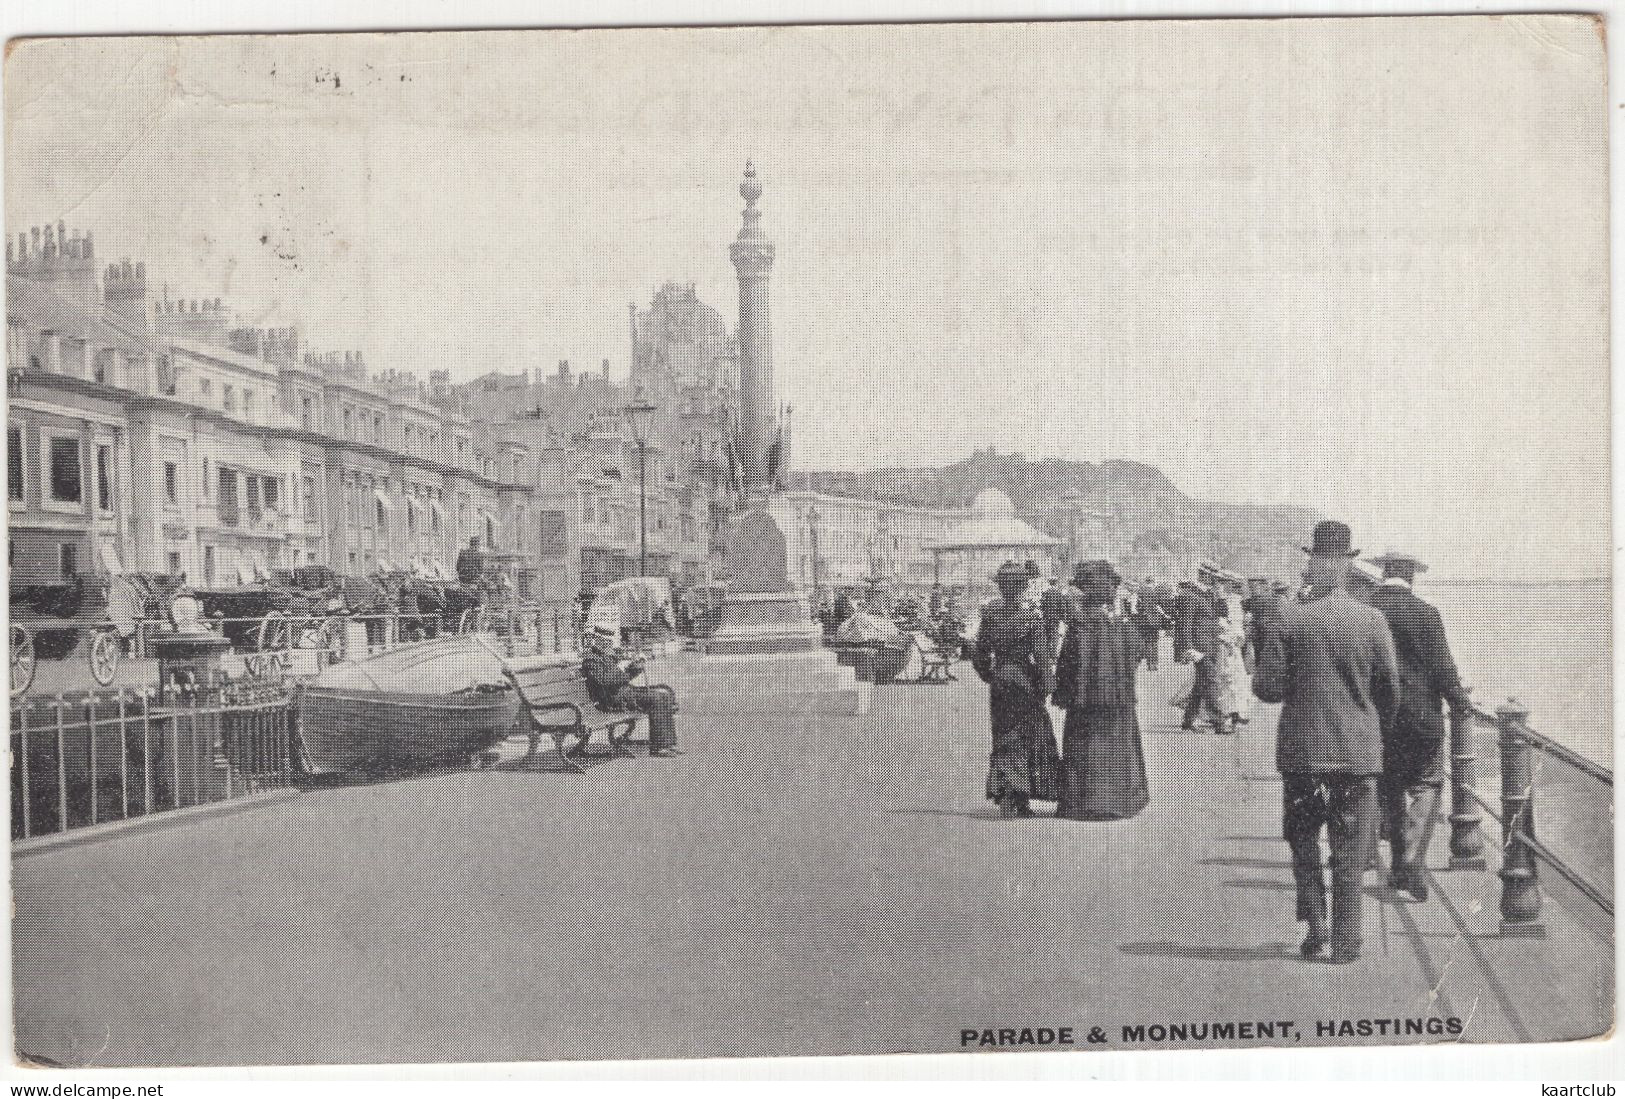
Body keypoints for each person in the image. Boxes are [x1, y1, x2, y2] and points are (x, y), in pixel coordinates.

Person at [1253, 520, 1398, 964]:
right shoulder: (1372, 620)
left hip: (1302, 754)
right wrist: (1372, 730)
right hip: (1357, 755)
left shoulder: (1289, 618)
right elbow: (1389, 690)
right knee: (1350, 848)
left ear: (1313, 565)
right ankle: (1348, 940)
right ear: (1349, 567)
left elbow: (1268, 689)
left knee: (1304, 843)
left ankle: (1316, 929)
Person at [1367, 550, 1467, 903]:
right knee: (1427, 784)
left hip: (1378, 720)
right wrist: (1459, 701)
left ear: (1382, 574)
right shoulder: (1427, 613)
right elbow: (1443, 667)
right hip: (1422, 718)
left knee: (1390, 790)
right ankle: (1410, 859)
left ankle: (1397, 864)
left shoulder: (1366, 609)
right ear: (1411, 576)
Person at [1052, 560, 1149, 821]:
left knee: (1083, 745)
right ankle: (1115, 800)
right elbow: (1138, 653)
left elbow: (1066, 664)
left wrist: (1067, 690)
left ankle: (1082, 802)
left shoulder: (1079, 624)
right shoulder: (1122, 625)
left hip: (1084, 702)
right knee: (1116, 746)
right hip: (1118, 700)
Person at [970, 560, 1062, 818]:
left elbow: (979, 654)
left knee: (1003, 736)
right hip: (1024, 682)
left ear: (1000, 588)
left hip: (1000, 681)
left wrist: (990, 675)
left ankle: (1007, 792)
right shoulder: (1031, 618)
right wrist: (1047, 686)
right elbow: (1042, 659)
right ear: (1024, 587)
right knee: (1029, 735)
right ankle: (1022, 798)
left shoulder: (989, 616)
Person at [582, 625, 682, 757]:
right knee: (656, 698)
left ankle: (669, 744)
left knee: (663, 696)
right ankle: (658, 747)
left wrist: (635, 666)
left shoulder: (605, 657)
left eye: (609, 642)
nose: (609, 645)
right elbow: (606, 682)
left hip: (624, 694)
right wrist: (629, 671)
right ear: (598, 641)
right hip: (612, 701)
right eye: (606, 642)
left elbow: (620, 677)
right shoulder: (591, 660)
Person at [1174, 564, 1230, 735]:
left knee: (1200, 685)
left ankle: (1188, 720)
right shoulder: (1192, 595)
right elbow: (1185, 624)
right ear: (1204, 576)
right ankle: (1219, 722)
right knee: (1212, 682)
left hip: (1210, 645)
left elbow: (1217, 618)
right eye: (1214, 578)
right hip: (1200, 648)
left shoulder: (1207, 595)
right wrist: (1189, 648)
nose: (1216, 582)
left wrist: (1221, 598)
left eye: (1218, 579)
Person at [1212, 601, 1249, 727]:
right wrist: (1229, 641)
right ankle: (1223, 715)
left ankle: (1235, 713)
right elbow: (1217, 636)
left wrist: (1238, 639)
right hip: (1223, 654)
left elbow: (1239, 637)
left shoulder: (1229, 621)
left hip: (1234, 655)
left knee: (1237, 683)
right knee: (1226, 683)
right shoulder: (1217, 622)